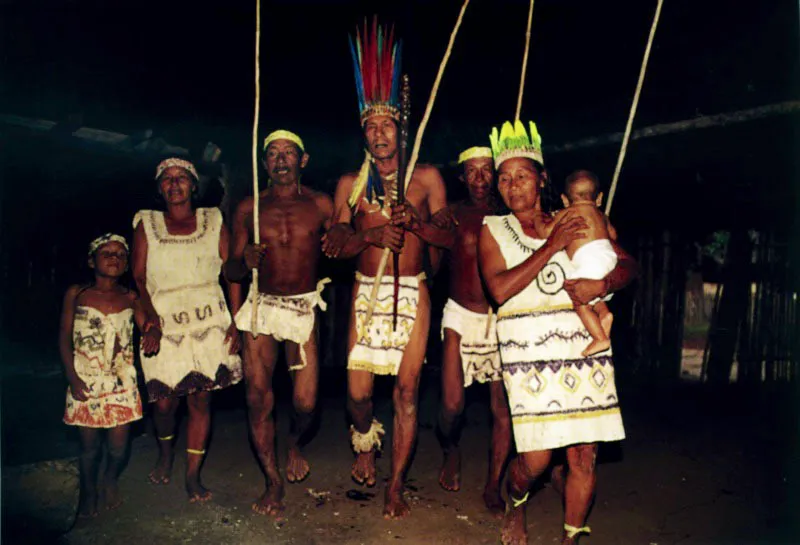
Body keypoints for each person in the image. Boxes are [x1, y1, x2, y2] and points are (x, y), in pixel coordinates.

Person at [477, 121, 637, 545]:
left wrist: (602, 285)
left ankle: (571, 539)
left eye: (522, 176)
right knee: (535, 460)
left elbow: (626, 265)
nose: (513, 187)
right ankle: (516, 503)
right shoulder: (492, 230)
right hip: (525, 349)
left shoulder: (577, 218)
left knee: (584, 454)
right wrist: (551, 246)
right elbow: (499, 289)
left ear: (542, 179)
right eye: (505, 179)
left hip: (582, 343)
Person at [322, 22, 454, 519]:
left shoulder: (426, 178)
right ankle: (363, 440)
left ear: (401, 128)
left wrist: (416, 223)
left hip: (412, 291)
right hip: (365, 292)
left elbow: (449, 237)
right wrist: (372, 236)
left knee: (405, 390)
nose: (379, 135)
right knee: (357, 395)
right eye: (370, 128)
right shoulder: (349, 185)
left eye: (386, 126)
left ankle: (396, 484)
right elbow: (334, 245)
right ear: (364, 133)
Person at [225, 129, 333, 516]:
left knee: (305, 401)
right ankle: (272, 480)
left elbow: (341, 240)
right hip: (261, 305)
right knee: (257, 397)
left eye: (289, 153)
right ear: (264, 163)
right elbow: (232, 269)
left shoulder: (321, 204)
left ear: (303, 160)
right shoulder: (248, 208)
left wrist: (339, 239)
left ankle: (294, 441)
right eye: (273, 153)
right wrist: (246, 260)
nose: (281, 159)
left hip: (303, 304)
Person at [132, 157, 242, 503]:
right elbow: (137, 277)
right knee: (164, 405)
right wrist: (149, 319)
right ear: (159, 188)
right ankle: (166, 453)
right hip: (163, 319)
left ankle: (192, 475)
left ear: (194, 185)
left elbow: (231, 272)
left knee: (200, 398)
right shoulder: (146, 223)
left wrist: (237, 321)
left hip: (209, 317)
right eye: (167, 179)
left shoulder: (214, 219)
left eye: (182, 178)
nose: (175, 184)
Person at [433, 146, 510, 516]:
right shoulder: (452, 215)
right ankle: (451, 449)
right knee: (451, 405)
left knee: (502, 409)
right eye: (472, 172)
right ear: (462, 177)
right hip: (460, 315)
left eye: (487, 171)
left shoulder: (510, 216)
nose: (480, 179)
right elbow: (427, 236)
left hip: (501, 318)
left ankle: (494, 483)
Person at [60, 234, 152, 517]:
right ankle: (88, 490)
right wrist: (73, 378)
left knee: (117, 448)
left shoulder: (130, 297)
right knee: (88, 448)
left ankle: (109, 478)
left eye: (121, 254)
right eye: (106, 253)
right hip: (85, 379)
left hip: (122, 382)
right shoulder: (77, 293)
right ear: (91, 260)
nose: (114, 257)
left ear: (126, 265)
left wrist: (154, 332)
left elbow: (147, 324)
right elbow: (64, 337)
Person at [532, 170, 618, 356]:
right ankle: (604, 313)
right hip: (608, 257)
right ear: (600, 198)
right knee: (594, 295)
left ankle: (600, 338)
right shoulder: (601, 215)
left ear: (564, 199)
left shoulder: (568, 212)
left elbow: (545, 233)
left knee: (579, 300)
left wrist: (538, 216)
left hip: (588, 259)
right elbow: (613, 236)